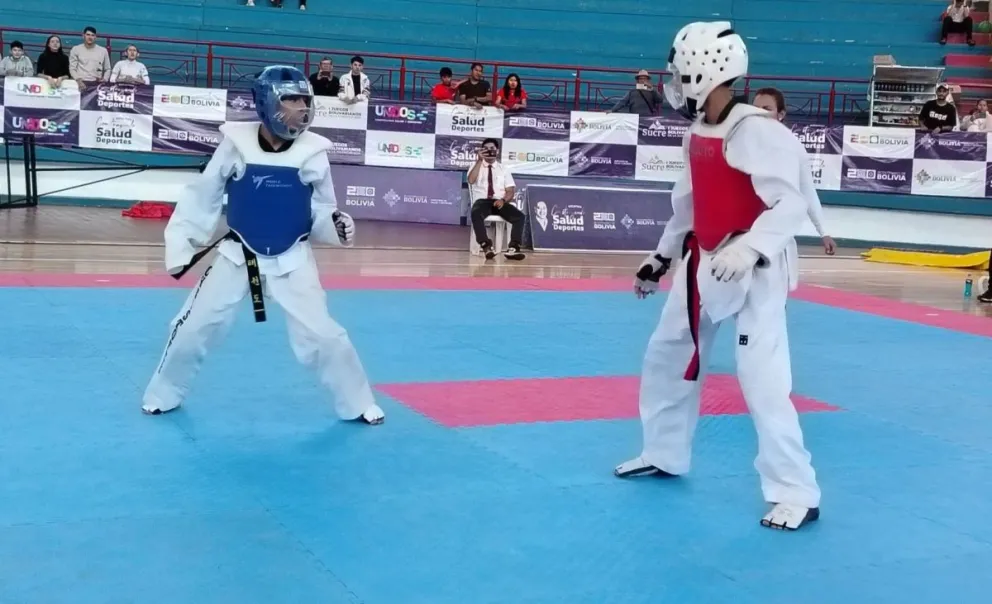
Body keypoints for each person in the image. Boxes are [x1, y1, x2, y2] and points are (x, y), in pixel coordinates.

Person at [614, 21, 821, 531]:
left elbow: (789, 202)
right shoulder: (698, 131)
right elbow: (689, 205)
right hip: (702, 259)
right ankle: (663, 452)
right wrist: (661, 257)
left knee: (762, 380)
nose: (675, 80)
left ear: (705, 70)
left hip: (756, 269)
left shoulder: (756, 131)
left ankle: (796, 490)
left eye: (680, 72)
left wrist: (752, 246)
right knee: (666, 353)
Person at [141, 65, 385, 427]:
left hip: (293, 257)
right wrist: (183, 247)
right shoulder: (235, 145)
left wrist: (337, 227)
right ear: (266, 103)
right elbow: (203, 197)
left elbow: (321, 212)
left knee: (325, 335)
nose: (300, 109)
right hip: (238, 255)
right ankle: (163, 393)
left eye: (305, 100)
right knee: (193, 327)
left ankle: (357, 402)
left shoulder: (314, 152)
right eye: (290, 100)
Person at [752, 87, 836, 255]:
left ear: (781, 114)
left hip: (776, 237)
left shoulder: (794, 148)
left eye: (767, 109)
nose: (759, 113)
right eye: (755, 109)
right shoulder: (737, 142)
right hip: (741, 233)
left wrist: (824, 232)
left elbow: (807, 190)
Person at [467, 138, 526, 261]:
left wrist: (503, 201)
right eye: (486, 149)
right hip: (482, 202)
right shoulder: (475, 166)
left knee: (520, 216)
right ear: (482, 151)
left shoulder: (503, 168)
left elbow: (510, 191)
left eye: (492, 149)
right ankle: (486, 246)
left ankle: (513, 248)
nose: (489, 151)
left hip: (499, 202)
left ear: (497, 151)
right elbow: (471, 180)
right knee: (476, 212)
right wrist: (479, 161)